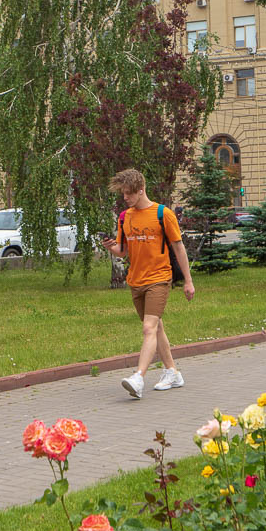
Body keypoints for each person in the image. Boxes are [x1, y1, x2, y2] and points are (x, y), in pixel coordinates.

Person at [100, 169, 195, 399]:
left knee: (148, 328)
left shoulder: (163, 214)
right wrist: (110, 247)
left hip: (159, 279)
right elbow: (122, 252)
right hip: (136, 280)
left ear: (141, 190)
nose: (125, 198)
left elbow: (178, 247)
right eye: (123, 194)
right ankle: (172, 372)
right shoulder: (125, 217)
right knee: (157, 326)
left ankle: (139, 377)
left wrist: (188, 281)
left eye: (128, 194)